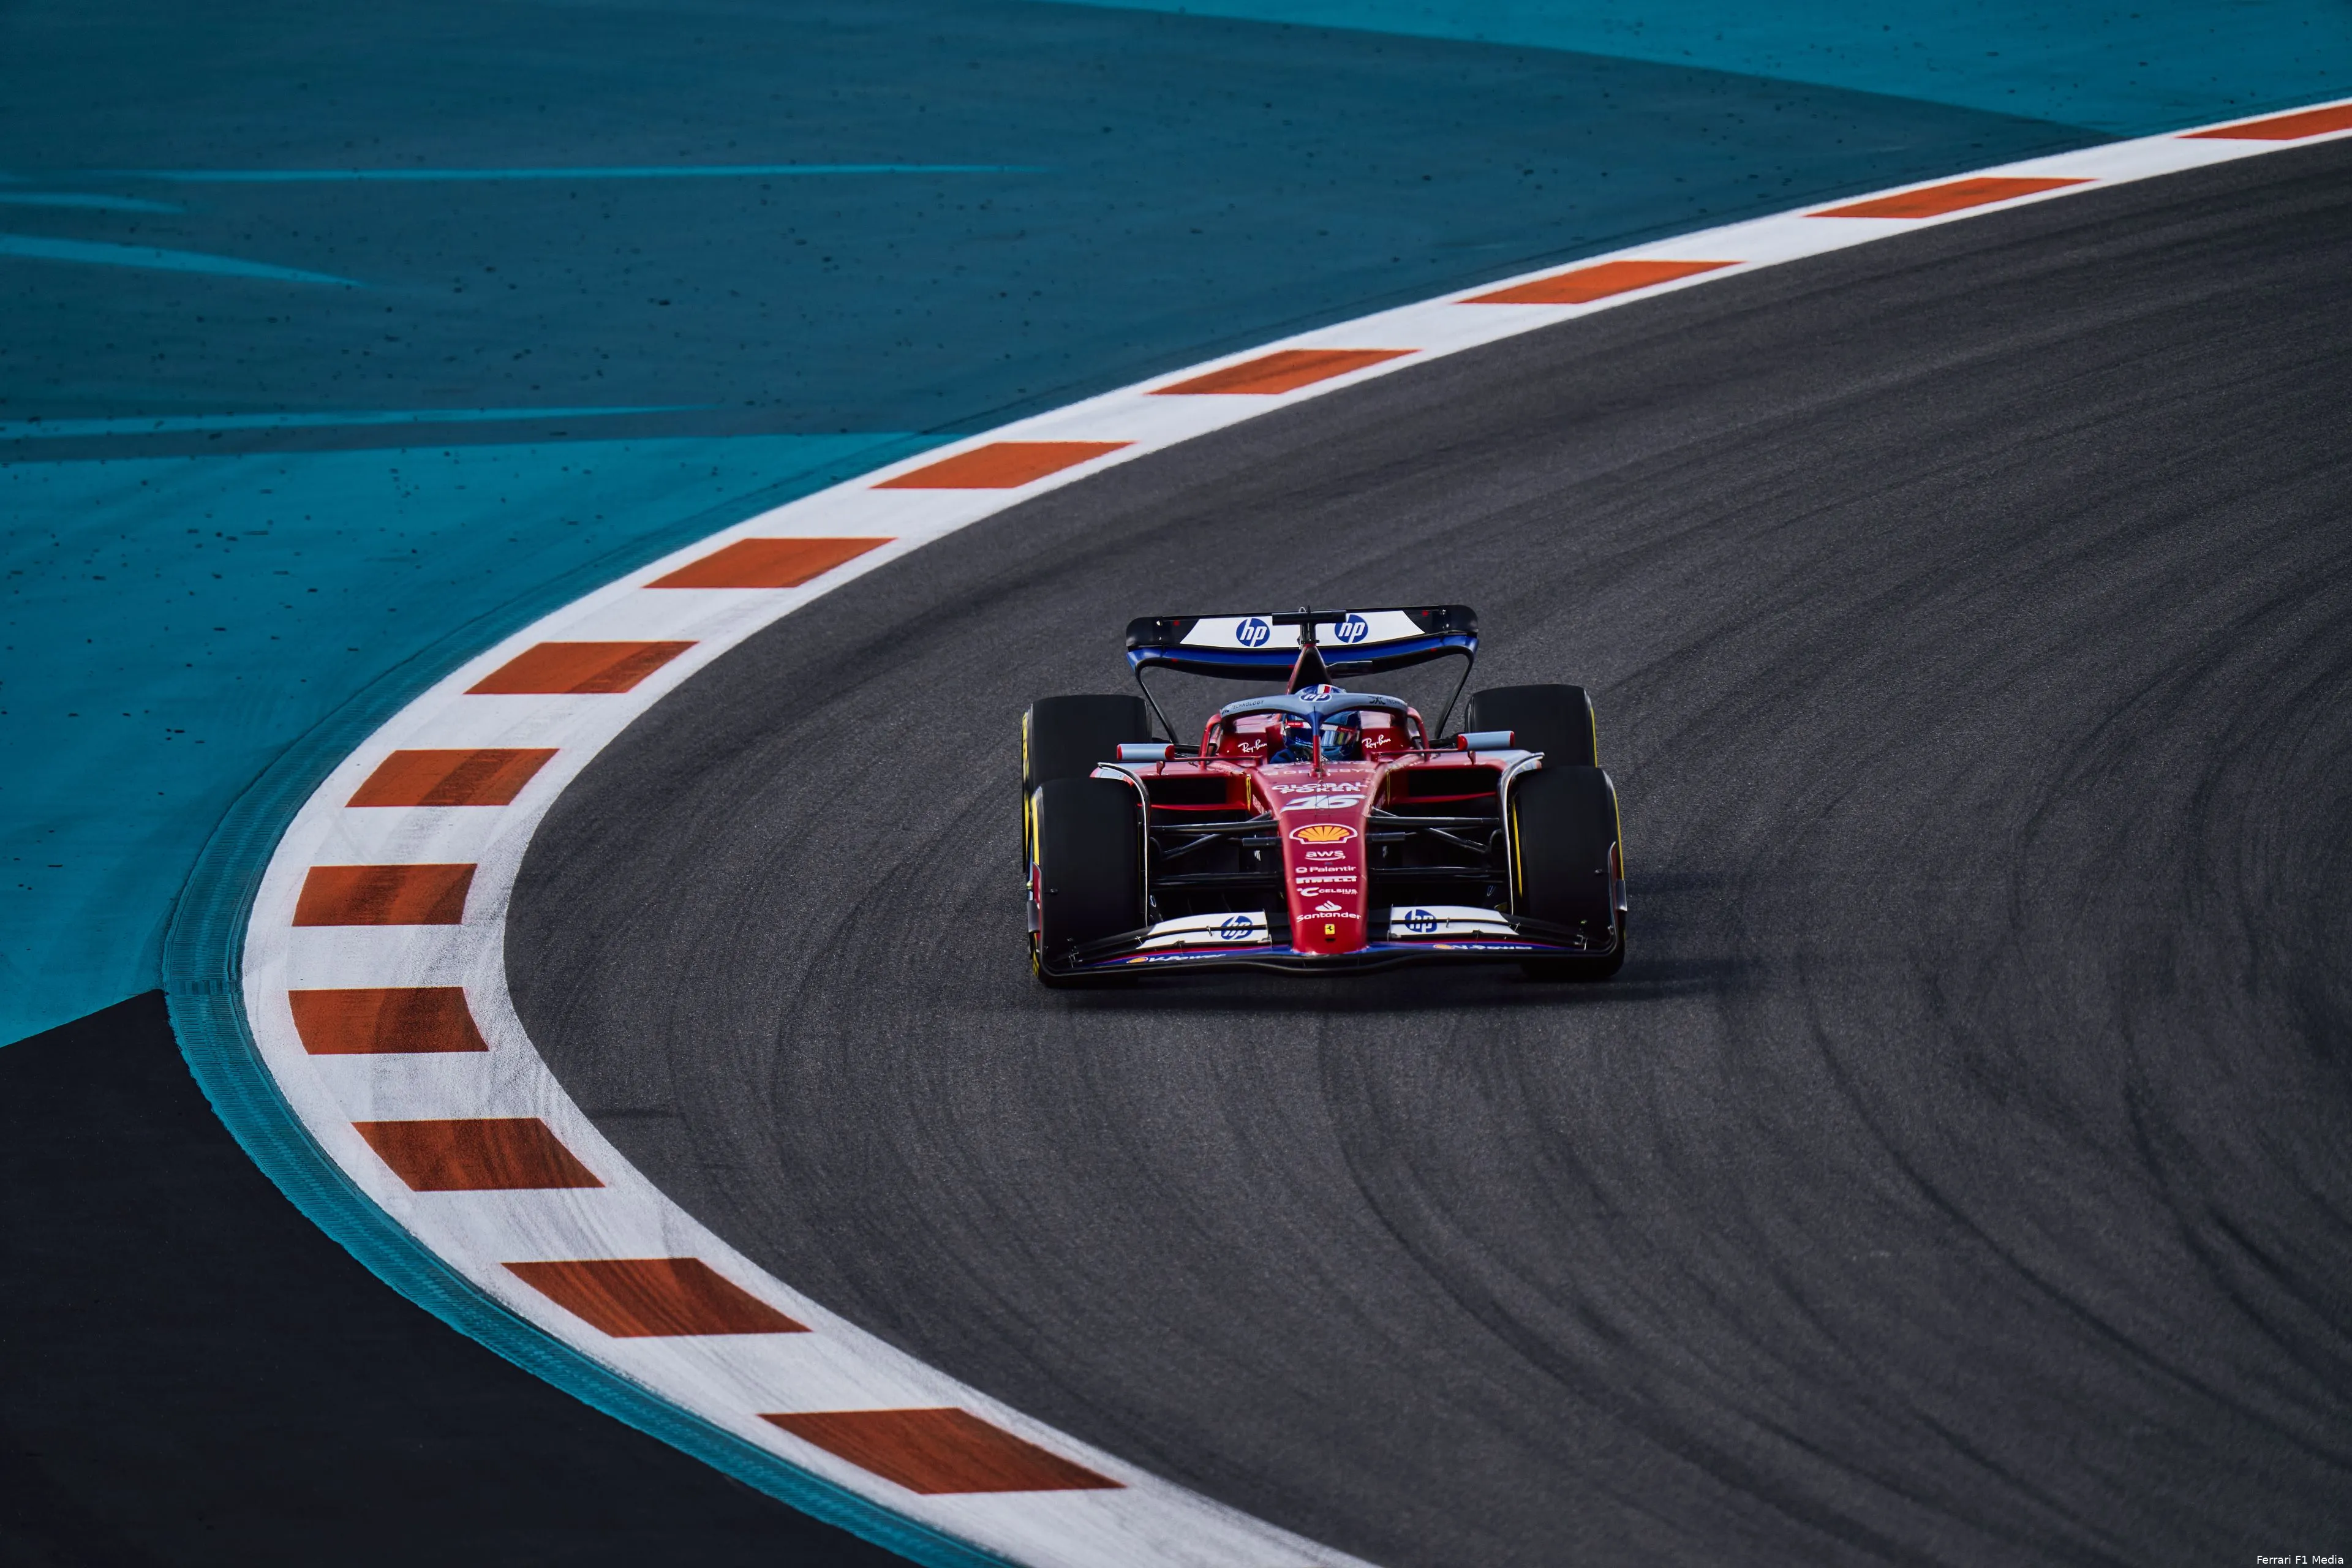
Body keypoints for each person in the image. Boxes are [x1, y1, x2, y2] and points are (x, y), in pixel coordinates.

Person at [1268, 710, 1363, 763]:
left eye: (1331, 737)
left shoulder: (1365, 768)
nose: (1313, 747)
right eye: (1303, 735)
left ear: (1354, 737)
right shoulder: (1282, 761)